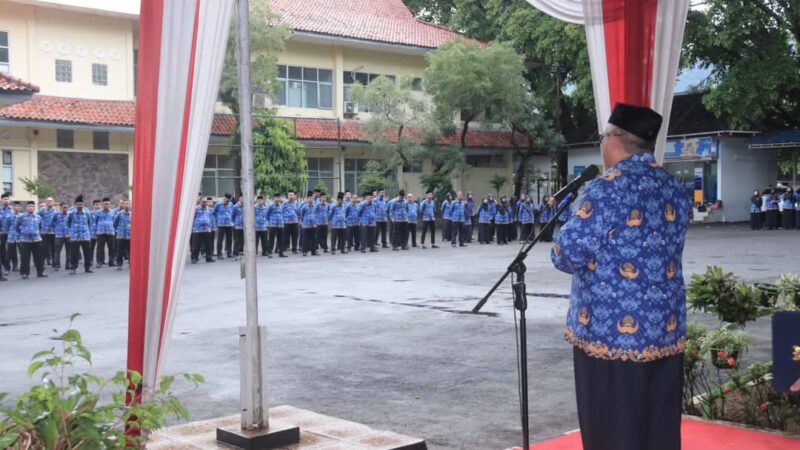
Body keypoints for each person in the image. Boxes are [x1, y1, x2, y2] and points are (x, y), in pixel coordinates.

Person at [552, 103, 691, 450]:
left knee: (612, 428)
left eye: (603, 137)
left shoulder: (606, 189)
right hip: (664, 328)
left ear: (615, 139)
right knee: (657, 425)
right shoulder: (673, 188)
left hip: (611, 334)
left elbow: (565, 255)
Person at [16, 201, 46, 279]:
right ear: (26, 207)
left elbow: (40, 227)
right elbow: (17, 227)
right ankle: (25, 273)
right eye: (29, 206)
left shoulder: (38, 217)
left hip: (37, 240)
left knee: (39, 257)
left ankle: (40, 272)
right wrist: (22, 234)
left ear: (35, 207)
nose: (31, 207)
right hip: (25, 241)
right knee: (25, 258)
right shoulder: (21, 217)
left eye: (33, 206)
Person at [66, 195, 94, 274]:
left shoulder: (87, 213)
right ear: (76, 205)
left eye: (81, 204)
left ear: (83, 204)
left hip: (85, 236)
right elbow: (67, 223)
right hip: (75, 237)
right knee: (74, 254)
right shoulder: (71, 213)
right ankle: (73, 268)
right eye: (78, 204)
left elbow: (90, 223)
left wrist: (87, 231)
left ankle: (87, 268)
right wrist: (72, 231)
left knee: (87, 253)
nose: (80, 206)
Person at [191, 196, 215, 263]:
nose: (205, 203)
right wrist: (192, 227)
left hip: (207, 229)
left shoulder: (208, 209)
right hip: (197, 229)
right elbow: (192, 218)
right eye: (203, 202)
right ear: (200, 201)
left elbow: (210, 218)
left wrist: (211, 226)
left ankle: (209, 257)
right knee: (196, 245)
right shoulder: (196, 209)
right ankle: (194, 258)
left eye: (205, 202)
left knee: (208, 244)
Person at [94, 198, 116, 268]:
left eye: (108, 204)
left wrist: (114, 230)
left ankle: (111, 261)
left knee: (112, 248)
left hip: (110, 232)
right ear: (102, 204)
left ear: (110, 204)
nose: (107, 205)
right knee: (100, 248)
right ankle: (99, 262)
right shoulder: (98, 212)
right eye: (105, 204)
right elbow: (95, 222)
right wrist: (95, 231)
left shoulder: (113, 212)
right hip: (101, 232)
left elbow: (115, 222)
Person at [266, 193, 287, 258]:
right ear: (274, 198)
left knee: (281, 239)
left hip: (280, 225)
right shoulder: (270, 206)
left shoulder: (281, 205)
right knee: (271, 239)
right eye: (276, 197)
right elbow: (267, 214)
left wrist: (283, 221)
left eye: (279, 197)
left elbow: (283, 214)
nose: (278, 199)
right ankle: (269, 252)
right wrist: (268, 222)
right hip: (273, 225)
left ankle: (281, 252)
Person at [38, 197, 57, 266]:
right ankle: (42, 263)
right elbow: (37, 219)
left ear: (53, 202)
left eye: (51, 201)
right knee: (44, 248)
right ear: (45, 202)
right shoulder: (41, 211)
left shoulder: (56, 211)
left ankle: (54, 262)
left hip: (53, 232)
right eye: (48, 201)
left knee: (54, 248)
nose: (49, 202)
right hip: (44, 232)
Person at [113, 200, 131, 270]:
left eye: (128, 204)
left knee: (130, 251)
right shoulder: (119, 214)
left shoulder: (132, 214)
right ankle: (119, 264)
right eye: (125, 204)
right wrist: (117, 231)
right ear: (123, 205)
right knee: (120, 251)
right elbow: (114, 224)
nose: (126, 205)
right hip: (121, 236)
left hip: (130, 235)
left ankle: (131, 264)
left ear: (130, 205)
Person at [299, 192, 318, 256]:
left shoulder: (315, 206)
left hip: (313, 225)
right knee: (305, 239)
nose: (311, 200)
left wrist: (316, 222)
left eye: (312, 198)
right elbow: (301, 215)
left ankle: (313, 251)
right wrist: (302, 223)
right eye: (309, 198)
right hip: (306, 225)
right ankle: (305, 251)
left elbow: (316, 214)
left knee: (313, 239)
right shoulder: (304, 207)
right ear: (307, 199)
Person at [4, 201, 21, 273]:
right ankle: (7, 268)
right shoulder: (9, 216)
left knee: (21, 252)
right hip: (11, 236)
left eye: (18, 206)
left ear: (20, 207)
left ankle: (16, 266)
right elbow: (6, 226)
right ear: (13, 207)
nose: (16, 207)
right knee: (9, 253)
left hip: (20, 237)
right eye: (15, 206)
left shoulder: (22, 216)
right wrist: (10, 232)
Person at [53, 202, 70, 271]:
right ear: (60, 207)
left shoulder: (70, 215)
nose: (65, 209)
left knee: (69, 250)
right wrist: (57, 230)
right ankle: (57, 265)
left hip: (68, 235)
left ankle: (68, 264)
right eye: (64, 207)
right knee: (57, 251)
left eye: (67, 207)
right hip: (59, 235)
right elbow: (53, 223)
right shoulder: (56, 215)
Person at [0, 193, 12, 279]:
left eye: (7, 199)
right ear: (1, 200)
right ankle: (6, 267)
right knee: (3, 251)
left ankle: (14, 266)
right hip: (1, 234)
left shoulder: (12, 210)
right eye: (4, 199)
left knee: (12, 250)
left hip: (12, 234)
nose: (6, 200)